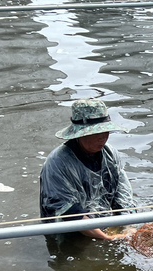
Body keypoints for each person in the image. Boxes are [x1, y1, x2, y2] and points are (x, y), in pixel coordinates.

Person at [39, 98, 135, 240]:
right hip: (68, 233)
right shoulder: (58, 163)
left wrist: (128, 228)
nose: (102, 138)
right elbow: (69, 212)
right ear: (80, 134)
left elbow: (123, 195)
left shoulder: (110, 154)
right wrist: (107, 238)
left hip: (101, 221)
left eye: (105, 132)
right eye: (96, 133)